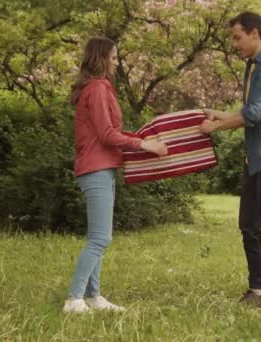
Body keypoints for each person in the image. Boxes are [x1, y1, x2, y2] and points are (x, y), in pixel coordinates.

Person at [200, 11, 261, 311]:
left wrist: (216, 126)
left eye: (237, 37)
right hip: (255, 159)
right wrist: (221, 114)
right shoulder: (253, 65)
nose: (235, 44)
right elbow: (250, 111)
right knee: (248, 227)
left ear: (255, 33)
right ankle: (256, 289)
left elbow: (252, 115)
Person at [64, 36, 168, 313]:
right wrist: (145, 144)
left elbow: (114, 133)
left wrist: (146, 140)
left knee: (97, 236)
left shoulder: (101, 87)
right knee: (100, 238)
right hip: (95, 168)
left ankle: (93, 296)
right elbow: (107, 134)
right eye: (112, 56)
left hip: (103, 167)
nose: (115, 61)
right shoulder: (96, 88)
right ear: (100, 58)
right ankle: (74, 298)